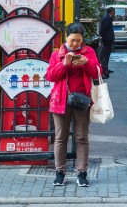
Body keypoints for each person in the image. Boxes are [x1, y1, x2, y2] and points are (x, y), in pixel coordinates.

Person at [45, 22, 101, 188]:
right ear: (66, 38)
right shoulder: (58, 54)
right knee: (60, 137)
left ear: (83, 40)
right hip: (60, 100)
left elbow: (98, 72)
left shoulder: (88, 52)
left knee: (82, 137)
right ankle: (60, 172)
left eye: (78, 40)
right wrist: (64, 64)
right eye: (72, 40)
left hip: (82, 100)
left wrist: (86, 63)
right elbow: (50, 76)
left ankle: (82, 173)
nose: (75, 44)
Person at [98, 7, 115, 79]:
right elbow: (103, 29)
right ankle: (105, 71)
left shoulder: (108, 18)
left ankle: (106, 69)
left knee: (107, 55)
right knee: (105, 56)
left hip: (108, 39)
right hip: (107, 39)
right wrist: (102, 36)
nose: (115, 13)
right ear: (111, 11)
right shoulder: (107, 18)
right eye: (114, 11)